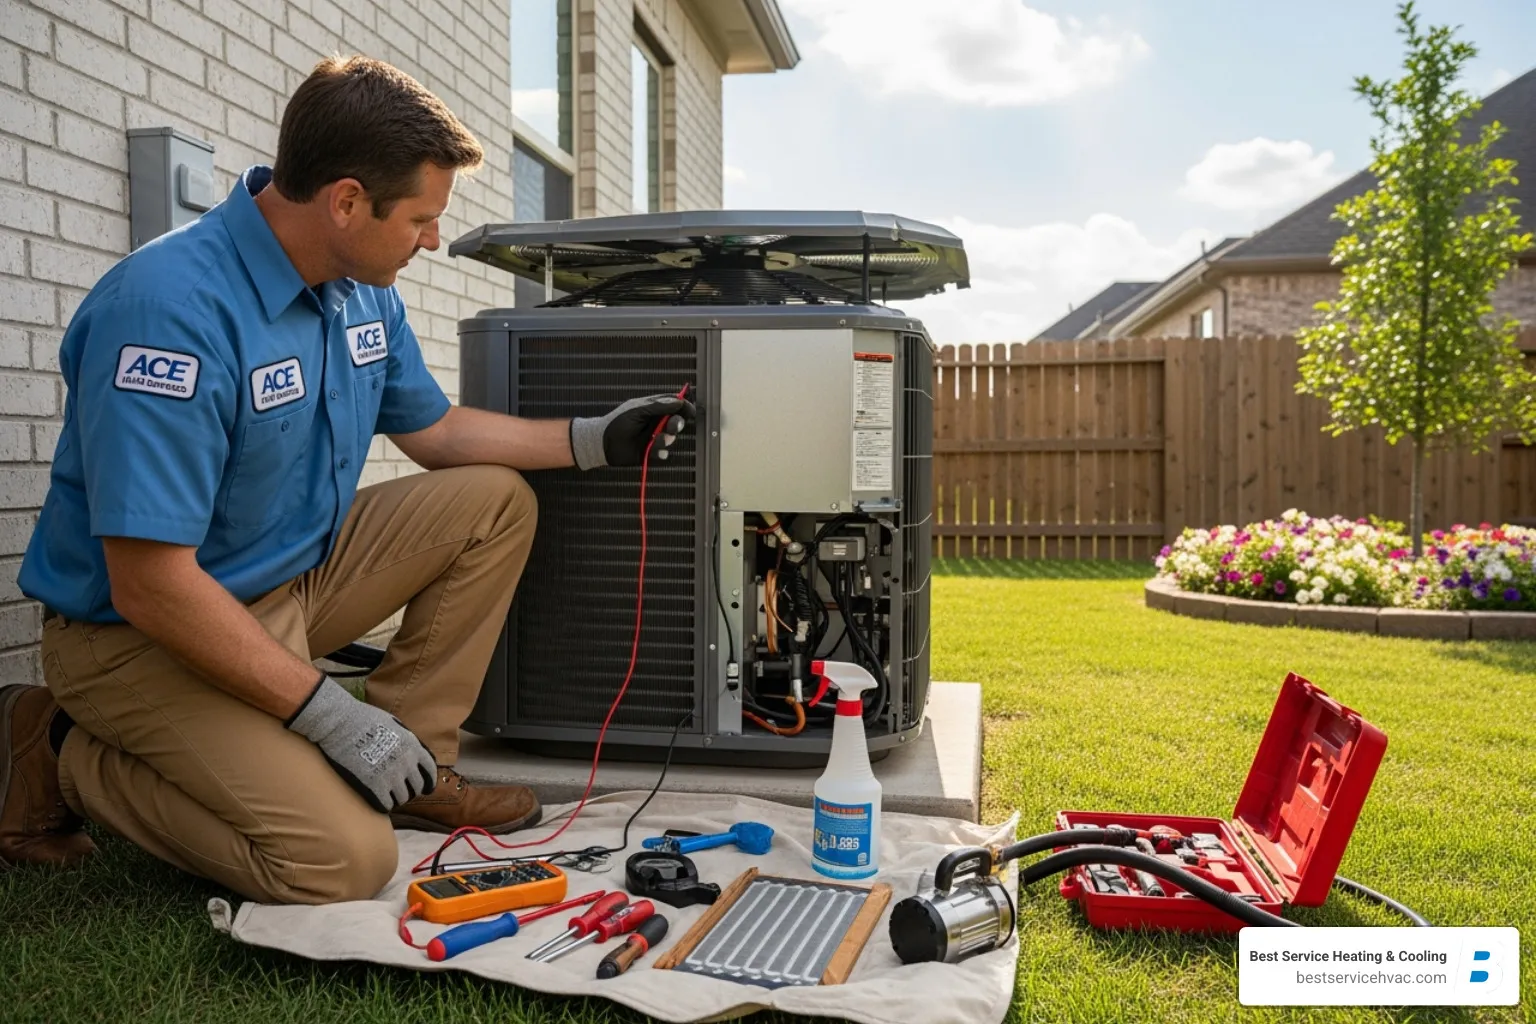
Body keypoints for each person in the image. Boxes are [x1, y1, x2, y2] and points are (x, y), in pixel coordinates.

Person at [0, 56, 693, 905]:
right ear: (347, 202)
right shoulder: (169, 313)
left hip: (288, 581)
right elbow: (151, 586)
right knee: (342, 863)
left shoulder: (360, 289)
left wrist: (593, 440)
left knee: (493, 499)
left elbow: (437, 433)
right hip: (137, 637)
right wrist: (331, 716)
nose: (433, 240)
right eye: (421, 220)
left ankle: (416, 769)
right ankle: (61, 749)